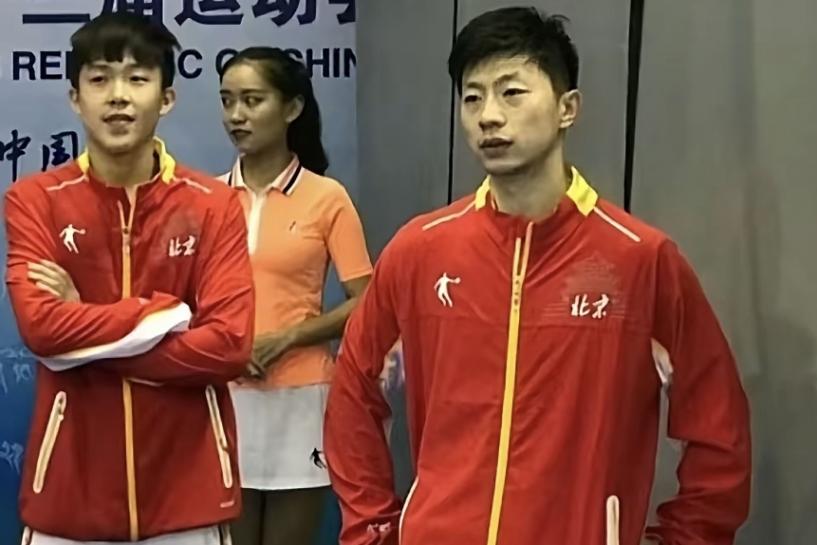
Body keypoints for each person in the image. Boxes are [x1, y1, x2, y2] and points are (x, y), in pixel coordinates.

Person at [324, 7, 751, 545]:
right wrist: (374, 530)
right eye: (472, 98)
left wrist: (688, 537)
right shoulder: (420, 251)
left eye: (511, 93)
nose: (488, 116)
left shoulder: (639, 260)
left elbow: (718, 426)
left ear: (567, 108)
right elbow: (354, 397)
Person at [4, 12, 254, 545]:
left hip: (186, 499)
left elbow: (229, 346)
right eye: (99, 79)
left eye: (138, 78)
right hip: (69, 501)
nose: (118, 95)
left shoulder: (213, 205)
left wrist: (83, 329)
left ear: (167, 98)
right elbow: (42, 329)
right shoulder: (34, 200)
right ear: (75, 98)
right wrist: (167, 315)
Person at [217, 47, 373, 545]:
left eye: (252, 100)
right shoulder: (208, 199)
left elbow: (368, 302)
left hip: (302, 399)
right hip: (222, 396)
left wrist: (287, 338)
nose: (236, 115)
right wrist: (227, 350)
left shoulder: (327, 198)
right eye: (227, 101)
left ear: (292, 107)